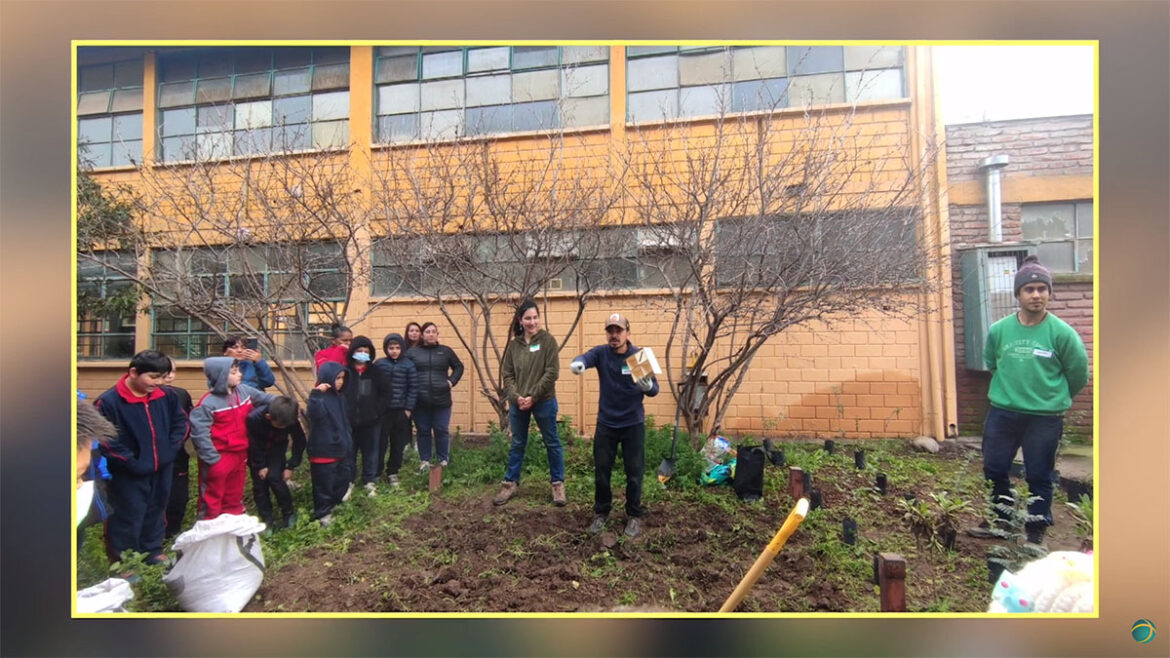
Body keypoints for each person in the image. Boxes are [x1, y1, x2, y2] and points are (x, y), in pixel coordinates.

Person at [967, 256, 1089, 546]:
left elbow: (1078, 374)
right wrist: (1012, 391)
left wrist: (1053, 398)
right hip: (1003, 413)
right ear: (1018, 294)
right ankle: (1001, 521)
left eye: (1041, 289)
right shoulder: (999, 331)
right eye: (1029, 289)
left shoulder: (1062, 334)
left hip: (1045, 418)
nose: (1036, 295)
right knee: (994, 468)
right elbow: (993, 364)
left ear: (1049, 293)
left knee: (1039, 475)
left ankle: (1035, 534)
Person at [570, 313, 659, 539]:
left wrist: (647, 385)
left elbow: (654, 390)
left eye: (619, 331)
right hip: (607, 424)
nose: (614, 335)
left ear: (627, 333)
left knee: (634, 473)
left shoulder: (637, 357)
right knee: (602, 471)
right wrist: (579, 363)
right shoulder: (602, 354)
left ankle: (634, 515)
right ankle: (601, 513)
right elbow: (586, 357)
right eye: (610, 331)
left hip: (633, 424)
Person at [94, 350, 188, 564]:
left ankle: (152, 550)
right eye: (153, 377)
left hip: (162, 467)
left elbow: (181, 424)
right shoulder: (108, 402)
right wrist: (132, 462)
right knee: (128, 514)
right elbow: (105, 439)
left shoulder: (167, 396)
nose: (158, 383)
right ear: (134, 372)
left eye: (162, 377)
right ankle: (124, 560)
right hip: (128, 472)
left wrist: (170, 450)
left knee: (156, 508)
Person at [493, 300, 566, 507]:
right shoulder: (514, 345)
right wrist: (516, 397)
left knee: (552, 442)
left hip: (544, 401)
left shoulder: (548, 341)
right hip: (518, 403)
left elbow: (552, 372)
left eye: (535, 317)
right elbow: (507, 374)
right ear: (520, 320)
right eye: (528, 318)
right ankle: (510, 483)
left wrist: (532, 396)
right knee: (517, 443)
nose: (532, 322)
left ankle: (557, 484)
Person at [188, 356, 276, 521]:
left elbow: (267, 399)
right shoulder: (207, 404)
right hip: (219, 457)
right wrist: (212, 458)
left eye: (239, 371)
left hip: (240, 453)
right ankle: (208, 526)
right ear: (220, 376)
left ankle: (232, 522)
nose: (240, 375)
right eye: (234, 372)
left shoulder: (244, 391)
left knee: (235, 492)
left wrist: (283, 404)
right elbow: (200, 434)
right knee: (213, 494)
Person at [406, 322, 464, 469]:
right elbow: (403, 369)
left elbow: (458, 366)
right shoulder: (413, 353)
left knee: (441, 429)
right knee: (423, 430)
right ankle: (424, 461)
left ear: (437, 334)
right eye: (427, 332)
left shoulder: (445, 351)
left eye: (433, 331)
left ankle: (443, 460)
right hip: (420, 400)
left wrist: (451, 382)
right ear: (422, 335)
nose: (431, 334)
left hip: (442, 400)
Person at [246, 395, 306, 531]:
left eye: (285, 426)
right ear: (268, 417)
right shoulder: (254, 419)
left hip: (276, 449)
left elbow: (300, 441)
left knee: (276, 479)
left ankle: (288, 513)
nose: (283, 428)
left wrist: (291, 465)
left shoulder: (289, 418)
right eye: (280, 425)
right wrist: (261, 466)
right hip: (257, 453)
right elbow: (253, 445)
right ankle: (267, 520)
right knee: (260, 485)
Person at [345, 335, 392, 497]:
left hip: (371, 421)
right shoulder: (346, 372)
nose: (363, 353)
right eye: (359, 350)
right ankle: (349, 481)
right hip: (350, 422)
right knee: (349, 452)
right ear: (353, 352)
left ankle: (369, 481)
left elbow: (386, 394)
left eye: (366, 351)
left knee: (371, 452)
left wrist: (376, 412)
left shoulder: (376, 372)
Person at [306, 361, 352, 526]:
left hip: (341, 449)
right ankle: (323, 513)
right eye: (337, 378)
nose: (340, 382)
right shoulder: (318, 398)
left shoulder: (340, 397)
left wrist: (348, 440)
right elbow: (314, 415)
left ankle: (334, 505)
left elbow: (344, 422)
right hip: (323, 450)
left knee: (342, 480)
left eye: (342, 378)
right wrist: (317, 394)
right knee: (323, 485)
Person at [375, 332, 418, 487]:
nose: (394, 351)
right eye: (391, 348)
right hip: (384, 412)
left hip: (400, 411)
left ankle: (393, 472)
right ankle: (376, 472)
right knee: (380, 443)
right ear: (386, 349)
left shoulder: (408, 365)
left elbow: (413, 388)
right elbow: (374, 387)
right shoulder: (379, 364)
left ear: (402, 348)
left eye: (397, 348)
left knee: (397, 444)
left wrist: (408, 409)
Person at [161, 363, 194, 540]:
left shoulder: (181, 394)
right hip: (154, 457)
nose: (170, 375)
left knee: (178, 496)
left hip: (177, 455)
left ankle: (173, 530)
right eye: (166, 371)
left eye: (173, 371)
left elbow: (188, 421)